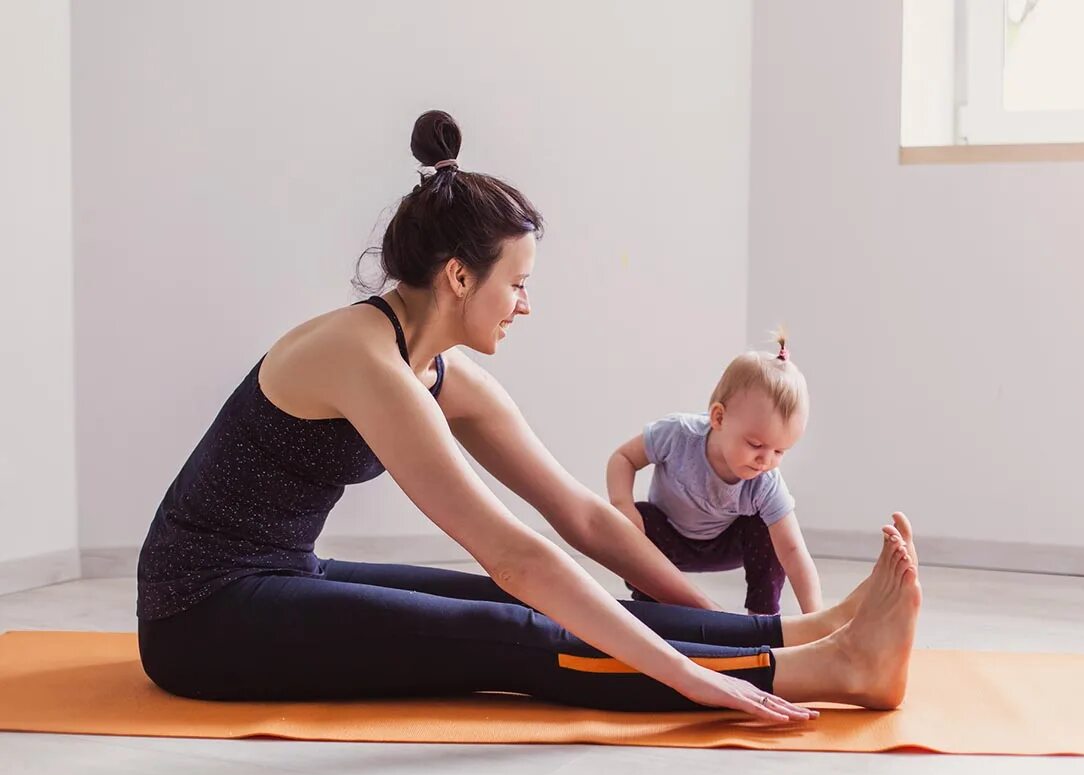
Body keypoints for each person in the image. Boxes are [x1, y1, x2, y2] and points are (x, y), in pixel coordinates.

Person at [136, 110, 922, 719]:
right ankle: (828, 670)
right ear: (457, 276)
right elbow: (516, 554)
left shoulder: (434, 368)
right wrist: (684, 676)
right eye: (516, 283)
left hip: (280, 573)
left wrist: (709, 620)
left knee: (518, 604)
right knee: (517, 630)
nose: (525, 304)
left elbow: (580, 516)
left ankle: (800, 638)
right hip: (203, 615)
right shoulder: (364, 361)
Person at [607, 331, 823, 616]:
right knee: (637, 518)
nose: (766, 460)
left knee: (770, 531)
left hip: (725, 544)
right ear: (718, 417)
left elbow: (794, 552)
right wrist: (623, 507)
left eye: (780, 451)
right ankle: (653, 606)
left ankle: (762, 616)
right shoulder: (678, 435)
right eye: (756, 445)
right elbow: (623, 458)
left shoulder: (765, 483)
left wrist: (816, 617)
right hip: (667, 538)